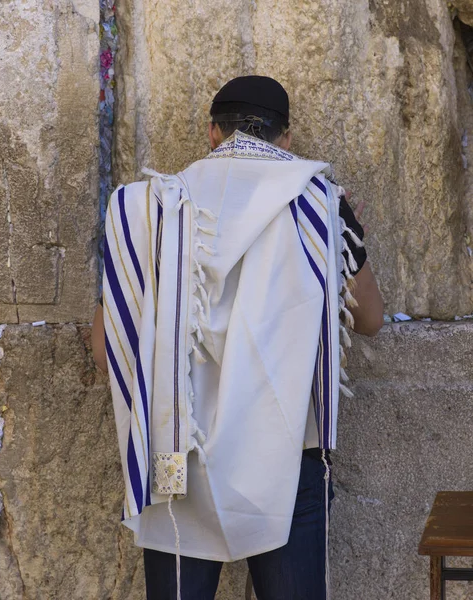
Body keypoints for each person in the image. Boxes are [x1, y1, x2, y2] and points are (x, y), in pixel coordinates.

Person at [92, 75, 383, 600]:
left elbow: (105, 345)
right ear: (285, 139)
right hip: (289, 452)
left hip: (176, 455)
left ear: (212, 132)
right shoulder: (319, 205)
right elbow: (370, 319)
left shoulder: (148, 209)